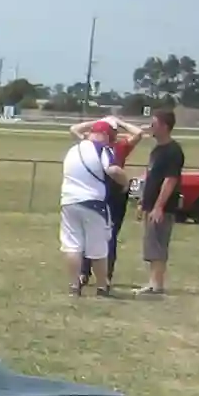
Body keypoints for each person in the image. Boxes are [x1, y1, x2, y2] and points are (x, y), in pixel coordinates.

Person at [57, 119, 124, 297]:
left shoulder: (74, 149)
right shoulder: (102, 149)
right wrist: (125, 182)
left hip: (69, 201)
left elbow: (73, 128)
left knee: (73, 246)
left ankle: (74, 285)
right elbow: (113, 170)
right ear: (105, 136)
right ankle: (102, 285)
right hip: (93, 203)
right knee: (98, 248)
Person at [71, 116, 142, 283]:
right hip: (116, 189)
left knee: (88, 232)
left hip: (95, 188)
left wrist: (97, 122)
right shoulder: (120, 146)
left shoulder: (90, 146)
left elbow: (74, 129)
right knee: (110, 235)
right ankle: (106, 275)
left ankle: (84, 272)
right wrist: (121, 122)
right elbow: (138, 133)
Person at [134, 108, 184, 296]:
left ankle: (156, 286)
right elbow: (151, 177)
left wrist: (158, 207)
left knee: (158, 245)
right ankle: (153, 283)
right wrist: (142, 201)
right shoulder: (157, 150)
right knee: (150, 244)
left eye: (154, 123)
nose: (150, 127)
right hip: (150, 204)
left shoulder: (173, 151)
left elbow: (170, 180)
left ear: (164, 126)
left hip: (162, 207)